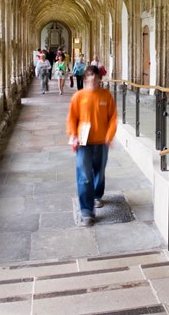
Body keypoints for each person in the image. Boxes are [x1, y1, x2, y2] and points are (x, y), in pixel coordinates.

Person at [66, 65, 117, 226]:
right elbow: (72, 118)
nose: (93, 78)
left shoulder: (106, 95)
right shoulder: (79, 96)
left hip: (101, 142)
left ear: (99, 78)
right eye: (89, 75)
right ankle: (87, 211)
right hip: (83, 142)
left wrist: (109, 136)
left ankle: (97, 195)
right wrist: (72, 135)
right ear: (85, 77)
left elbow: (113, 118)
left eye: (95, 75)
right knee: (84, 176)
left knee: (99, 172)